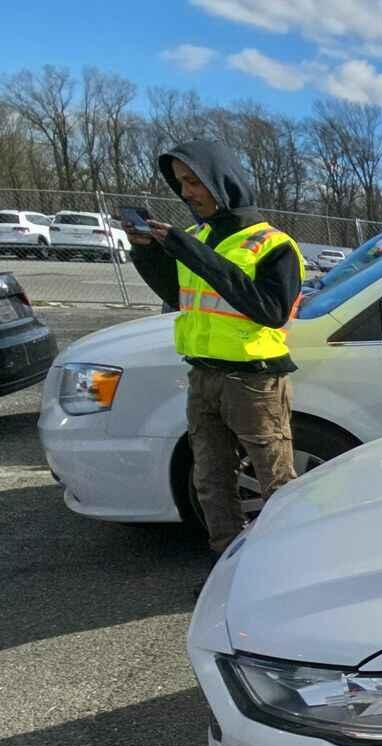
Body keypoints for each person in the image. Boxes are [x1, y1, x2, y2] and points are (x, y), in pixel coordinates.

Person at [128, 140, 305, 557]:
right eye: (180, 184)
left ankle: (289, 564)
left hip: (254, 380)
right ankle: (226, 565)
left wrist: (191, 251)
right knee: (211, 481)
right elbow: (175, 292)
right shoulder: (195, 236)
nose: (187, 192)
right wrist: (146, 253)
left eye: (194, 182)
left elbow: (271, 310)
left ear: (220, 180)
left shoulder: (273, 243)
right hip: (203, 375)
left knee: (276, 483)